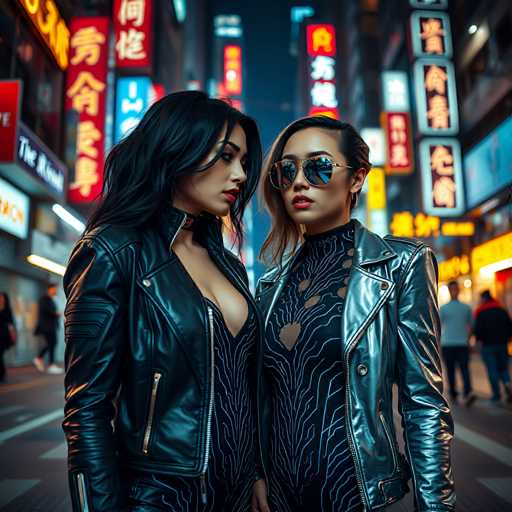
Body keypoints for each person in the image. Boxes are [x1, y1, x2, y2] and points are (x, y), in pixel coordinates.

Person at [62, 91, 262, 512]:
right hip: (158, 495)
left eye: (243, 161)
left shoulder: (229, 265)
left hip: (237, 495)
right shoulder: (114, 252)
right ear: (178, 147)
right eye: (226, 156)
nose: (240, 174)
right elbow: (87, 409)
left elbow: (246, 389)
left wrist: (259, 474)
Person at [252, 116, 455, 512]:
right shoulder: (269, 286)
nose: (299, 181)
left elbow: (423, 403)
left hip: (359, 496)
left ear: (357, 178)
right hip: (279, 500)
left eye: (319, 166)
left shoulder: (400, 265)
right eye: (286, 169)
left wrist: (435, 505)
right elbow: (261, 401)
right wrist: (257, 474)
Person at [440, 280, 476, 406]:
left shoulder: (465, 308)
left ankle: (464, 392)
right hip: (451, 344)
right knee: (456, 369)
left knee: (461, 369)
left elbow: (471, 326)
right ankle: (459, 392)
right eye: (452, 289)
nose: (454, 291)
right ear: (450, 291)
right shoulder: (444, 308)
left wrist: (468, 339)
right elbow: (471, 326)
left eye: (455, 289)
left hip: (456, 343)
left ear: (458, 290)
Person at [473, 290, 512, 404]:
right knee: (503, 368)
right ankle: (507, 384)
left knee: (492, 369)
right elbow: (509, 326)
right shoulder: (501, 310)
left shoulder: (481, 312)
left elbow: (478, 330)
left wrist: (478, 341)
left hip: (488, 346)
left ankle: (496, 395)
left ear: (484, 299)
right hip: (502, 344)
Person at [33, 284, 63, 374]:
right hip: (47, 326)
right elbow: (49, 312)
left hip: (50, 326)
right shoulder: (44, 299)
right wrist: (58, 313)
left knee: (52, 344)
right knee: (52, 343)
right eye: (54, 289)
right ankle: (48, 363)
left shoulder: (50, 300)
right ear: (49, 289)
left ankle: (41, 359)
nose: (56, 291)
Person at [0, 292, 16, 383]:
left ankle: (2, 374)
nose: (1, 299)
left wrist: (12, 333)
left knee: (0, 353)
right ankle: (2, 373)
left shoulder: (7, 309)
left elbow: (11, 323)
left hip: (4, 334)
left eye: (2, 297)